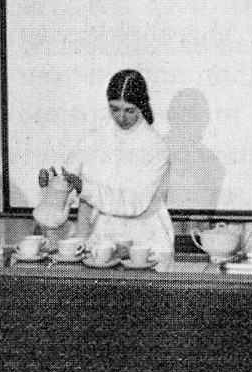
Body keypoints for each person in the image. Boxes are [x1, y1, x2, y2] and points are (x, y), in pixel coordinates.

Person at [41, 69, 175, 260]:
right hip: (102, 242)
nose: (121, 117)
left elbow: (134, 203)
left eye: (129, 110)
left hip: (147, 245)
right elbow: (66, 188)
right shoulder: (95, 138)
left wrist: (84, 188)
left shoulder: (155, 146)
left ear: (141, 105)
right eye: (114, 109)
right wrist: (52, 188)